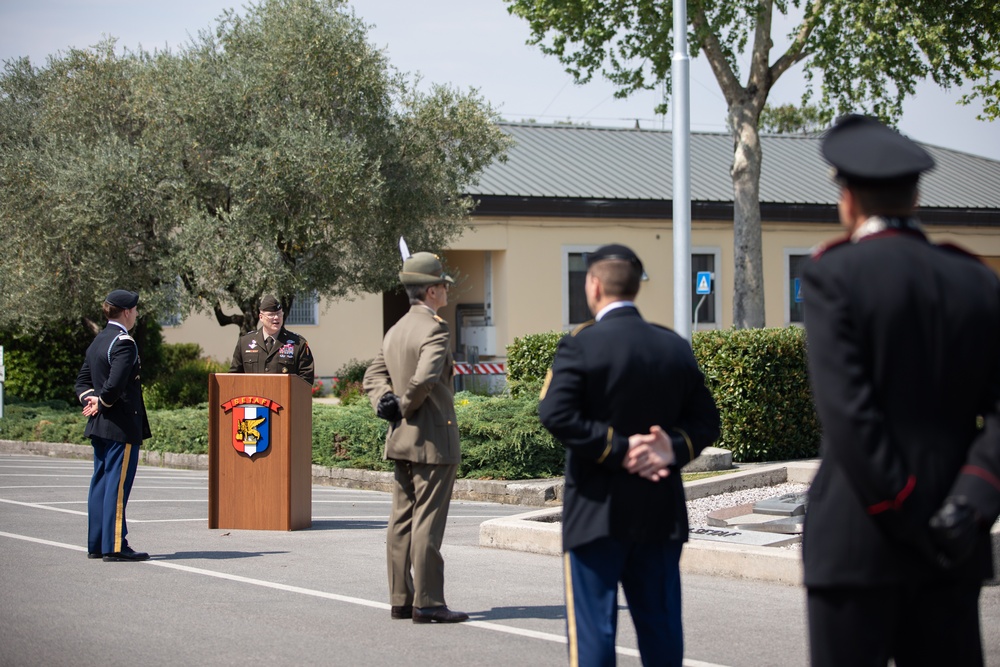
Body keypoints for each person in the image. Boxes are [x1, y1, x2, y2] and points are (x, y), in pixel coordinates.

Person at [802, 114, 1000, 667]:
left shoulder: (833, 275)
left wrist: (906, 507)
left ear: (848, 198)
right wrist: (968, 503)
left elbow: (849, 416)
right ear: (916, 195)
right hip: (954, 541)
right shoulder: (976, 279)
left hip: (859, 536)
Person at [537, 244, 721, 666]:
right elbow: (707, 422)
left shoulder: (580, 344)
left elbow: (555, 412)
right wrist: (668, 449)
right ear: (635, 289)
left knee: (594, 632)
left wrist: (618, 449)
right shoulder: (672, 345)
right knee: (660, 627)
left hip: (596, 512)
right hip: (659, 511)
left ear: (594, 285)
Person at [362, 252, 469, 624]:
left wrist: (386, 404)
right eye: (442, 285)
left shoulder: (396, 330)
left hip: (401, 439)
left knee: (401, 519)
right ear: (431, 290)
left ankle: (400, 599)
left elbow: (372, 376)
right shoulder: (435, 329)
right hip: (433, 439)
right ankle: (428, 602)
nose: (445, 291)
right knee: (427, 521)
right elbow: (424, 379)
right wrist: (404, 404)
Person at [74, 289, 152, 562]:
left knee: (101, 484)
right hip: (120, 425)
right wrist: (102, 401)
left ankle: (97, 543)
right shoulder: (123, 342)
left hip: (100, 426)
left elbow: (82, 383)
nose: (136, 314)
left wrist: (92, 400)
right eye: (135, 310)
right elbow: (115, 384)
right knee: (116, 487)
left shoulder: (99, 340)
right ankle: (115, 545)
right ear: (127, 312)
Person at [229, 294, 315, 385]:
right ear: (261, 317)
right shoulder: (245, 342)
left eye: (279, 314)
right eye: (271, 315)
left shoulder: (298, 343)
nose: (276, 318)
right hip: (253, 398)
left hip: (284, 398)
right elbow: (234, 377)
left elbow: (306, 378)